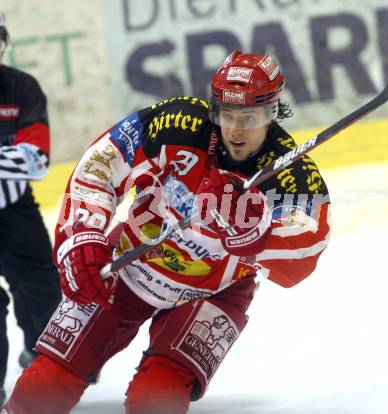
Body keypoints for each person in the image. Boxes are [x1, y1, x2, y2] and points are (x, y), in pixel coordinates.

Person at [3, 50, 331, 414]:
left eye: (249, 117)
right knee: (41, 389)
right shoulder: (178, 122)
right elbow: (102, 162)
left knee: (155, 398)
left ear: (271, 113)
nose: (236, 129)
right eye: (227, 114)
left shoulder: (291, 173)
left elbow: (305, 253)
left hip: (214, 292)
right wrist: (83, 232)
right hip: (129, 265)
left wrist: (256, 234)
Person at [0, 11, 62, 408]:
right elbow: (21, 156)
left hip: (15, 209)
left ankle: (43, 365)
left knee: (45, 293)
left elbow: (37, 160)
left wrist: (18, 158)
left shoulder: (21, 87)